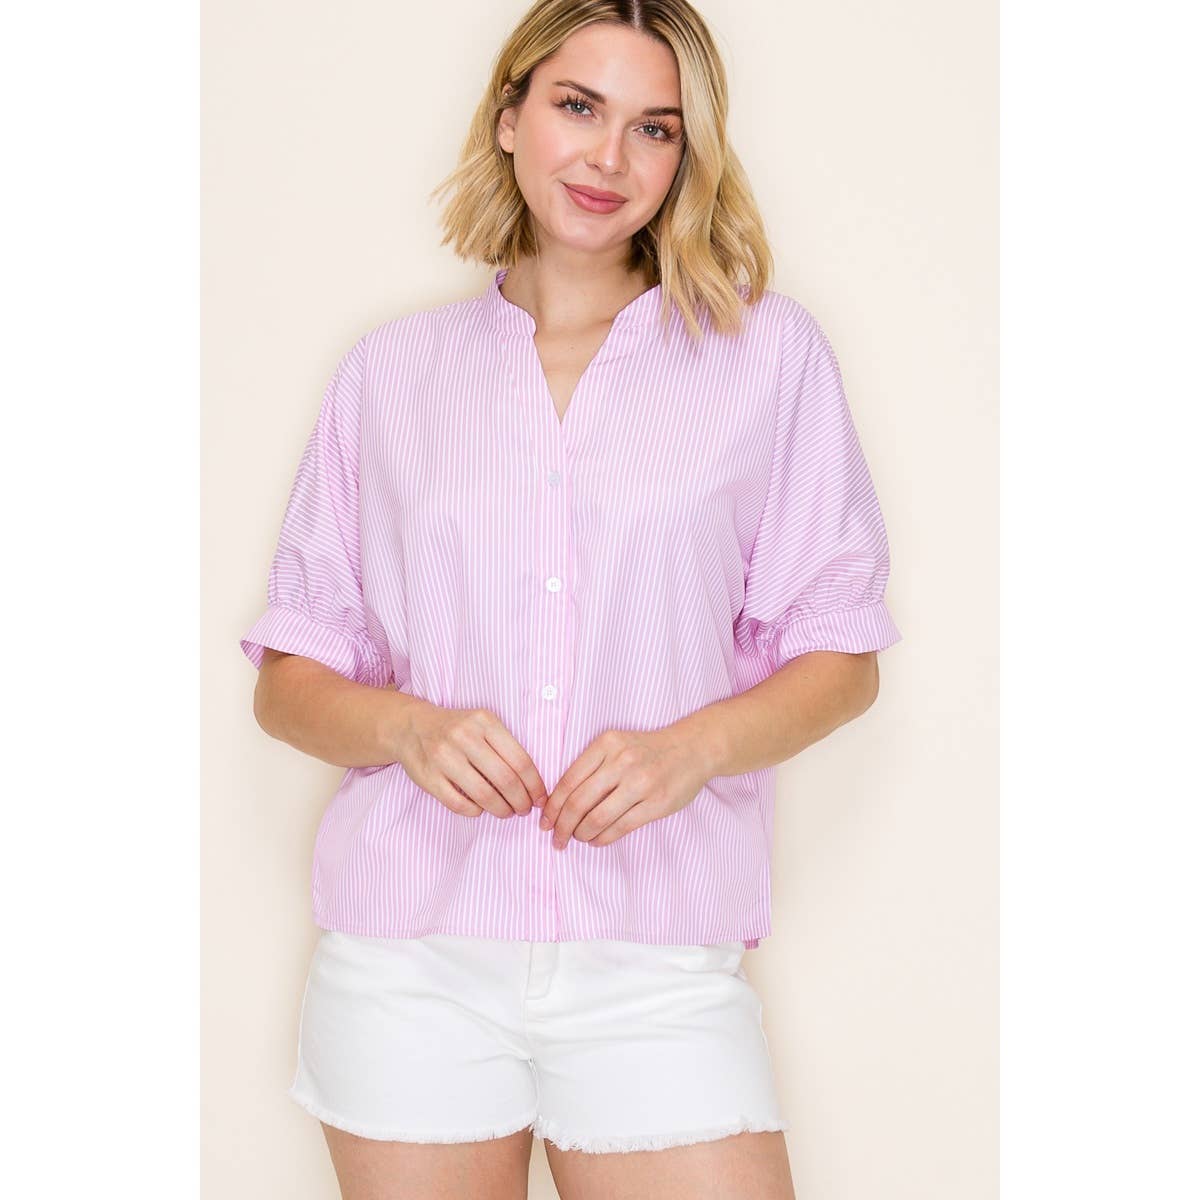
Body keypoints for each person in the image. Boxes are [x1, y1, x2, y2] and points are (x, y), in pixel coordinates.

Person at [239, 1, 901, 1196]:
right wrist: (408, 728)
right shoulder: (390, 375)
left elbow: (843, 654)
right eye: (578, 107)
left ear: (688, 154)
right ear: (510, 116)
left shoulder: (766, 358)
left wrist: (694, 749)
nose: (609, 158)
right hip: (411, 963)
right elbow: (290, 682)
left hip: (654, 961)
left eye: (655, 127)